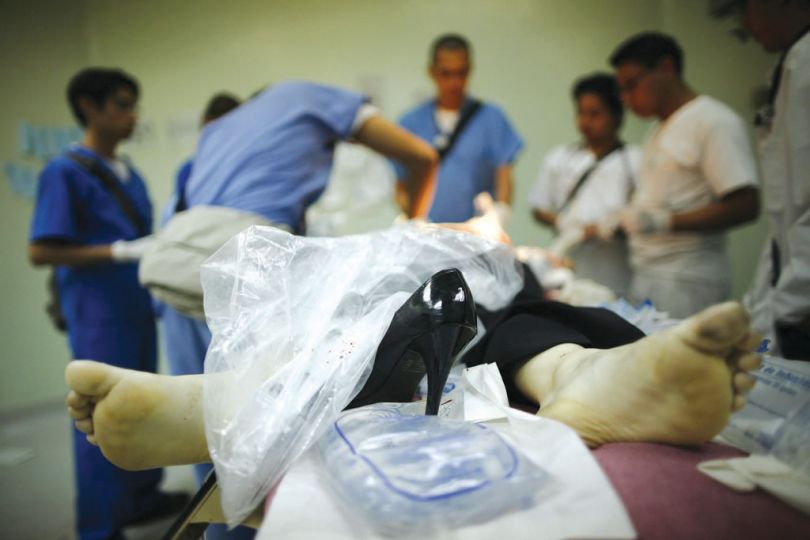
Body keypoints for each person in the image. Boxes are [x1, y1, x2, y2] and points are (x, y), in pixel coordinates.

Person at [28, 68, 186, 540]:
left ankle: (140, 497)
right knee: (98, 411)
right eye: (120, 104)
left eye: (134, 104)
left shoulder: (128, 173)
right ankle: (98, 526)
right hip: (98, 313)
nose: (131, 115)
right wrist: (116, 251)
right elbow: (42, 250)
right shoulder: (65, 171)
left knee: (138, 403)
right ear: (89, 107)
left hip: (137, 306)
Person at [606, 32, 761, 318]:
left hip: (688, 279)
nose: (626, 99)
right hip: (647, 272)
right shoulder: (657, 129)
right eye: (621, 91)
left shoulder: (712, 121)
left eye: (632, 85)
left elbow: (746, 205)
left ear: (666, 68)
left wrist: (665, 221)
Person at [158, 92, 247, 540]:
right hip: (189, 303)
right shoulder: (191, 172)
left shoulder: (252, 172)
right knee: (198, 409)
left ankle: (233, 513)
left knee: (234, 411)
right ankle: (210, 514)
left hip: (232, 302)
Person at [736, 0, 809, 360]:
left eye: (748, 8)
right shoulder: (792, 62)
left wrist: (787, 302)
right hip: (791, 295)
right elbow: (784, 214)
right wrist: (761, 307)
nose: (746, 22)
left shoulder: (806, 59)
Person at [529, 73, 638, 297]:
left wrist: (610, 227)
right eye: (581, 112)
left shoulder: (635, 161)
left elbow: (643, 213)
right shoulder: (560, 158)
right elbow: (539, 209)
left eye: (595, 114)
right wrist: (562, 222)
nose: (586, 122)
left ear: (617, 116)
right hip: (568, 271)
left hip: (616, 273)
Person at [396, 33, 524, 223]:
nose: (454, 82)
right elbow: (401, 184)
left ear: (470, 70)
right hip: (428, 236)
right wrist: (415, 220)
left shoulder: (491, 119)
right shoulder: (410, 123)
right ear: (432, 72)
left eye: (461, 73)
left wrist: (500, 213)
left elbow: (504, 174)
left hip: (477, 235)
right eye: (446, 73)